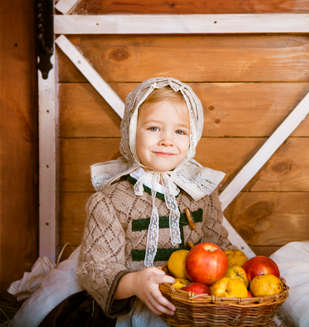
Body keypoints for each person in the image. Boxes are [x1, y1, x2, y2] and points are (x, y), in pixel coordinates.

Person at [39, 77, 233, 326]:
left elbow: (218, 247)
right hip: (133, 306)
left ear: (193, 137)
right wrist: (134, 284)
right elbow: (97, 270)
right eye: (154, 128)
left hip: (193, 306)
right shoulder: (110, 200)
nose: (167, 140)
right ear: (131, 131)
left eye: (180, 131)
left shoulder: (201, 193)